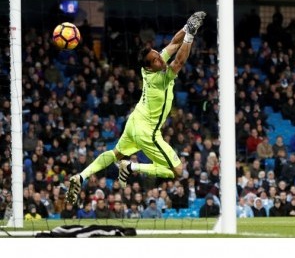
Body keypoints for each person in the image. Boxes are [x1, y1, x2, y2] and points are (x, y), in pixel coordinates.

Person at [65, 11, 207, 204]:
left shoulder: (149, 66)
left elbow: (174, 44)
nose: (160, 60)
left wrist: (186, 26)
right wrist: (190, 36)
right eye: (156, 60)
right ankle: (131, 167)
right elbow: (179, 61)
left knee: (115, 153)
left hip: (134, 121)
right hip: (147, 131)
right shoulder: (158, 78)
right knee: (177, 171)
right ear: (149, 67)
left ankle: (80, 176)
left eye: (159, 56)